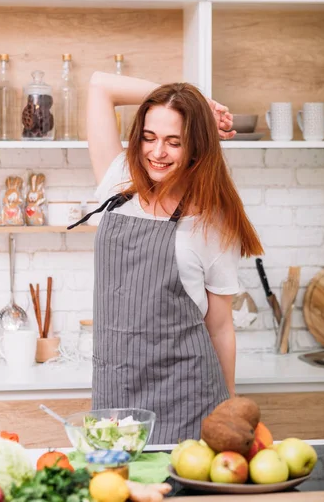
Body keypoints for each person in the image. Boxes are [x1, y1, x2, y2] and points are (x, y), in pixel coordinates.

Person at [68, 72, 263, 445]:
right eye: (149, 137)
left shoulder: (210, 219)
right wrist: (197, 103)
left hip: (187, 397)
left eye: (174, 142)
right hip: (116, 391)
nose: (157, 153)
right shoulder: (117, 181)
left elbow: (221, 327)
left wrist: (229, 409)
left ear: (195, 148)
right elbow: (99, 85)